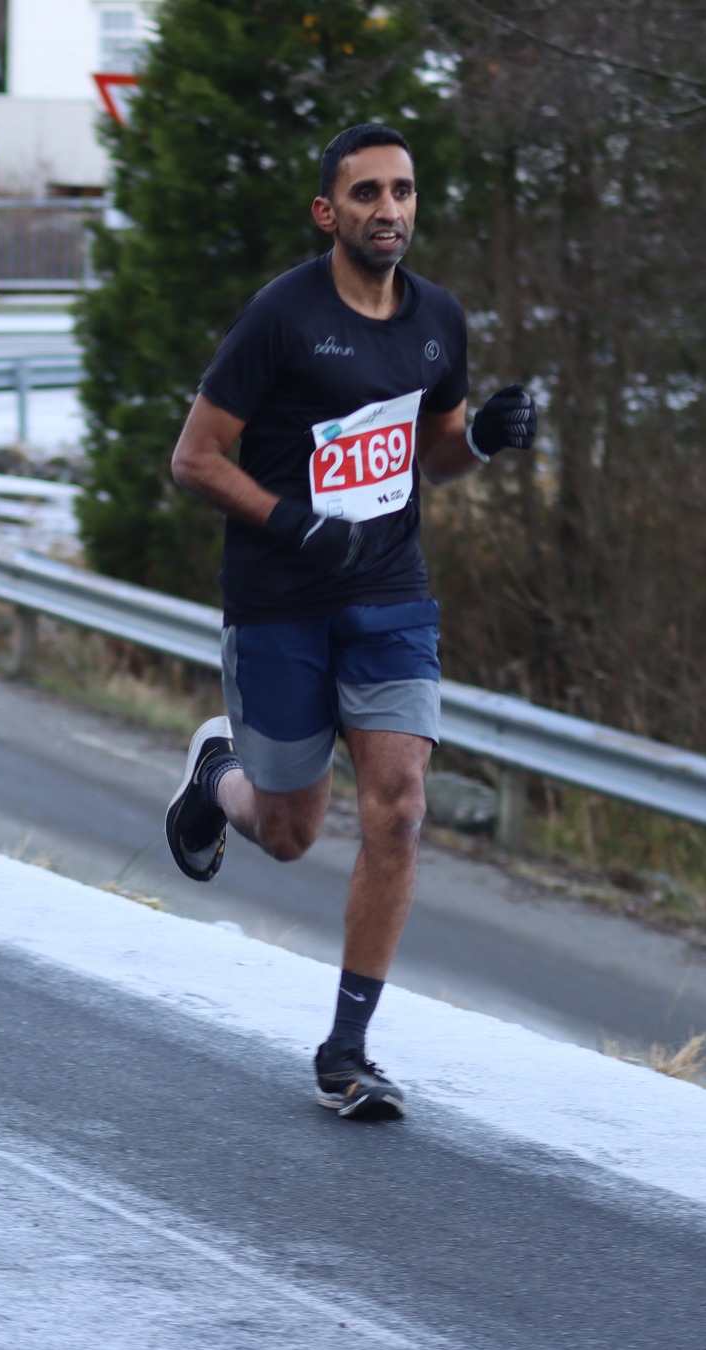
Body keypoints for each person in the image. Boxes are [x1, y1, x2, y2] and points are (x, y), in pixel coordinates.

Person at [163, 123, 538, 1121]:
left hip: (390, 597)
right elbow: (194, 458)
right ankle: (217, 776)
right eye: (367, 193)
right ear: (328, 212)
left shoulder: (438, 320)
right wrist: (290, 521)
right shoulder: (281, 318)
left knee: (399, 807)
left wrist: (482, 440)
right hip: (280, 602)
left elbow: (436, 455)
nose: (389, 210)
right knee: (289, 833)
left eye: (402, 191)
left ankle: (347, 1049)